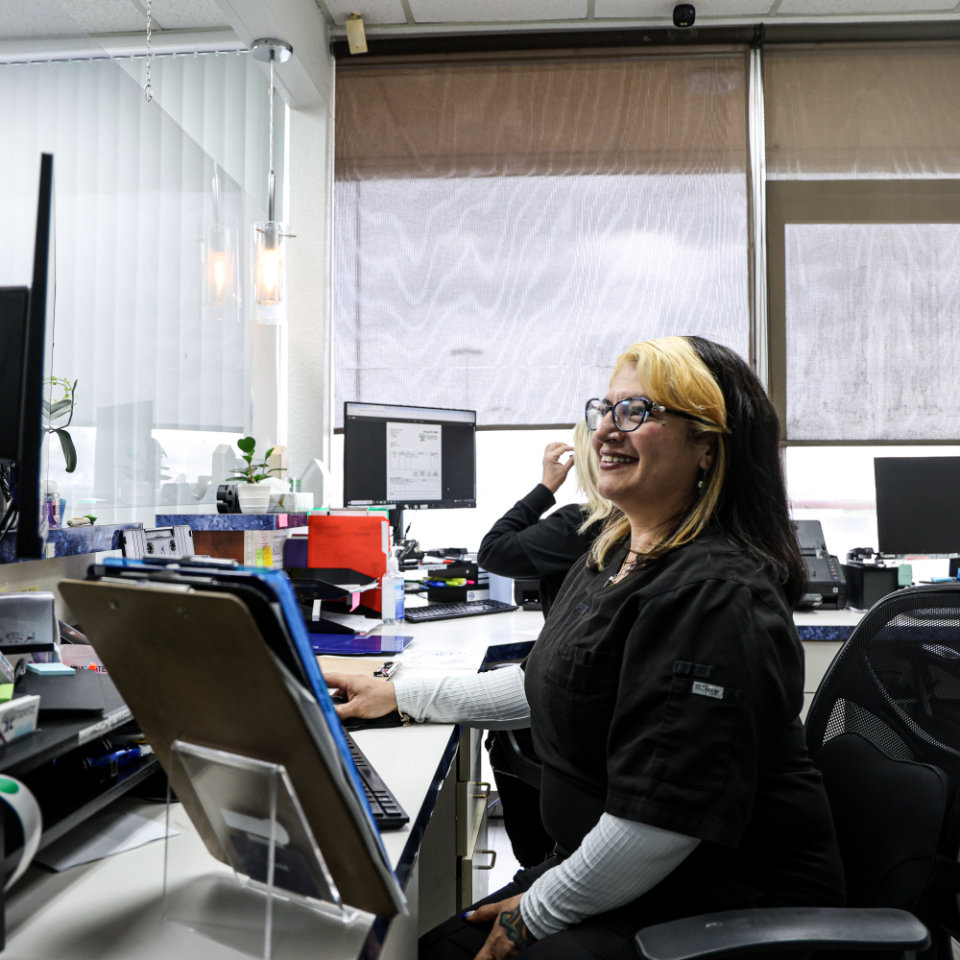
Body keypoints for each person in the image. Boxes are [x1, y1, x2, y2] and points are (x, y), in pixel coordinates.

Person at [326, 335, 845, 960]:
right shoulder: (613, 551)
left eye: (639, 413)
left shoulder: (715, 597)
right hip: (617, 871)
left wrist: (536, 912)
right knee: (431, 945)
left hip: (715, 905)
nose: (605, 432)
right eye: (606, 409)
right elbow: (550, 679)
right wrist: (402, 693)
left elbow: (662, 822)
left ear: (707, 446)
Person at [477, 421, 611, 867]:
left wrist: (545, 486)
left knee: (501, 732)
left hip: (572, 729)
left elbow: (494, 551)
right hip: (597, 726)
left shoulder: (585, 522)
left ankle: (536, 864)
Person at [477, 420, 610, 618]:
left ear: (585, 459)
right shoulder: (642, 520)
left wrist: (546, 487)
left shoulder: (580, 524)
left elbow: (491, 551)